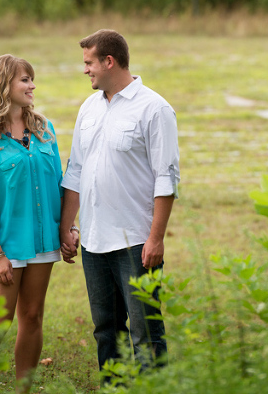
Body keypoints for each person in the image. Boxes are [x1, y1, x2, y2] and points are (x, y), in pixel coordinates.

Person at [59, 29, 180, 380]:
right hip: (95, 242)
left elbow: (166, 179)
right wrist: (66, 227)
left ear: (109, 61)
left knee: (146, 333)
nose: (85, 70)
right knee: (106, 330)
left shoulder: (155, 109)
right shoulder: (89, 108)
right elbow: (76, 170)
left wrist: (156, 239)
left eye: (89, 63)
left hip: (137, 243)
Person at [0, 54, 64, 392]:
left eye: (31, 79)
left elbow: (58, 185)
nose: (32, 85)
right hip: (4, 244)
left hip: (42, 241)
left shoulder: (45, 131)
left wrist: (67, 229)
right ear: (4, 85)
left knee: (32, 317)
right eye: (24, 80)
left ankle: (24, 390)